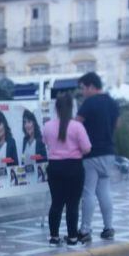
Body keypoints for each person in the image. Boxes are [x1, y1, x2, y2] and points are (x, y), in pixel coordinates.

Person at [75, 72, 120, 241]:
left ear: (91, 87)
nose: (82, 92)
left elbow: (76, 124)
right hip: (108, 152)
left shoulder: (89, 103)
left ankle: (85, 229)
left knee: (88, 192)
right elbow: (117, 124)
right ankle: (108, 227)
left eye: (83, 88)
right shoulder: (113, 102)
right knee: (105, 191)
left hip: (91, 154)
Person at [42, 93, 91, 246]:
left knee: (56, 203)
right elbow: (87, 148)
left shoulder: (48, 126)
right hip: (74, 167)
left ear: (56, 108)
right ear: (72, 108)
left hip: (55, 167)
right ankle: (72, 238)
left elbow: (45, 143)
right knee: (73, 204)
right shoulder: (77, 127)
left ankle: (54, 237)